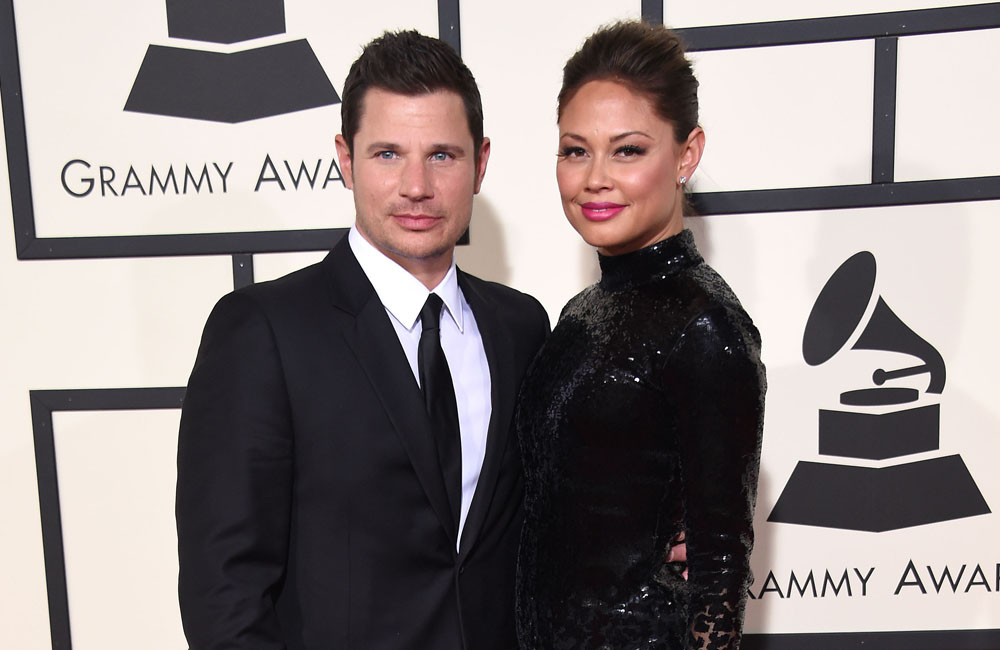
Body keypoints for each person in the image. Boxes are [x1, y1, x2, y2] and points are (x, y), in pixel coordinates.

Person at [175, 31, 551, 650]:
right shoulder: (264, 331)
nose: (415, 186)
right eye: (386, 154)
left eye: (442, 155)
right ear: (345, 160)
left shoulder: (519, 327)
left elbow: (549, 518)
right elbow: (226, 594)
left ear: (481, 163)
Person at [515, 21, 765, 650]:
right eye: (576, 150)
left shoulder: (706, 324)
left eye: (627, 150)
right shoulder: (581, 310)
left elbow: (720, 575)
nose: (594, 177)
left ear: (687, 154)